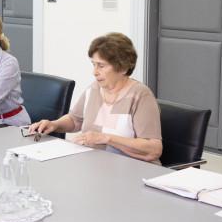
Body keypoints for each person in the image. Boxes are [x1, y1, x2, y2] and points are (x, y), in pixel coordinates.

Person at [27, 33, 163, 163]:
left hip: (131, 171)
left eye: (101, 66)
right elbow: (75, 121)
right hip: (95, 166)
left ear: (123, 68)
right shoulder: (94, 88)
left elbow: (153, 149)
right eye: (94, 64)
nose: (94, 72)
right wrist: (54, 125)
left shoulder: (140, 96)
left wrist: (106, 138)